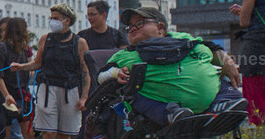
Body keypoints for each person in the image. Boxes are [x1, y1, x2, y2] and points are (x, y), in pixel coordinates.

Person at [103, 6, 245, 125]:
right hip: (164, 107)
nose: (133, 28)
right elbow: (101, 75)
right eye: (130, 27)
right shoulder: (123, 55)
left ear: (160, 28)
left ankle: (224, 103)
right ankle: (172, 113)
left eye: (140, 23)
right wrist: (115, 73)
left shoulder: (182, 38)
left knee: (220, 79)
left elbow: (209, 46)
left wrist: (226, 60)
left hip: (210, 97)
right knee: (132, 95)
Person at [12, 3, 89, 139]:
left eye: (56, 18)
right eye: (52, 17)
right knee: (48, 133)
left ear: (67, 20)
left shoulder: (79, 43)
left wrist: (84, 97)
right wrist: (21, 67)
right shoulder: (45, 39)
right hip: (48, 89)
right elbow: (38, 63)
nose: (52, 21)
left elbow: (85, 71)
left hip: (70, 90)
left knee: (65, 135)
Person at [75, 0, 127, 139]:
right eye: (88, 14)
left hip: (112, 85)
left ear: (104, 15)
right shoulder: (83, 36)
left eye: (93, 14)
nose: (89, 18)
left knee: (113, 119)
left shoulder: (117, 36)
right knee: (87, 122)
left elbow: (125, 57)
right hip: (89, 85)